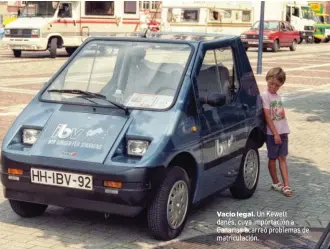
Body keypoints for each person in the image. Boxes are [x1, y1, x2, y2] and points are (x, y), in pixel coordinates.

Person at [261, 67, 292, 197]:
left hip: (283, 131)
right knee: (273, 158)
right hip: (272, 133)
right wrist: (275, 133)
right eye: (271, 84)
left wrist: (283, 130)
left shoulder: (278, 96)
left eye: (277, 85)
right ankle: (276, 182)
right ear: (267, 80)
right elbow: (267, 116)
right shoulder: (265, 95)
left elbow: (281, 114)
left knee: (283, 157)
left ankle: (286, 185)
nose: (273, 87)